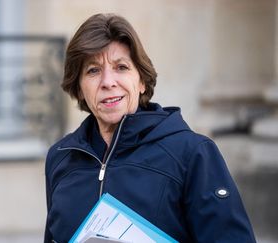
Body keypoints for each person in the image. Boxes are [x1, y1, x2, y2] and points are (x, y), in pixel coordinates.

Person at [44, 13, 256, 243]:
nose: (108, 81)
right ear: (79, 87)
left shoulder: (193, 153)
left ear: (142, 81)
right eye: (93, 70)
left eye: (121, 67)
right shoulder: (60, 158)